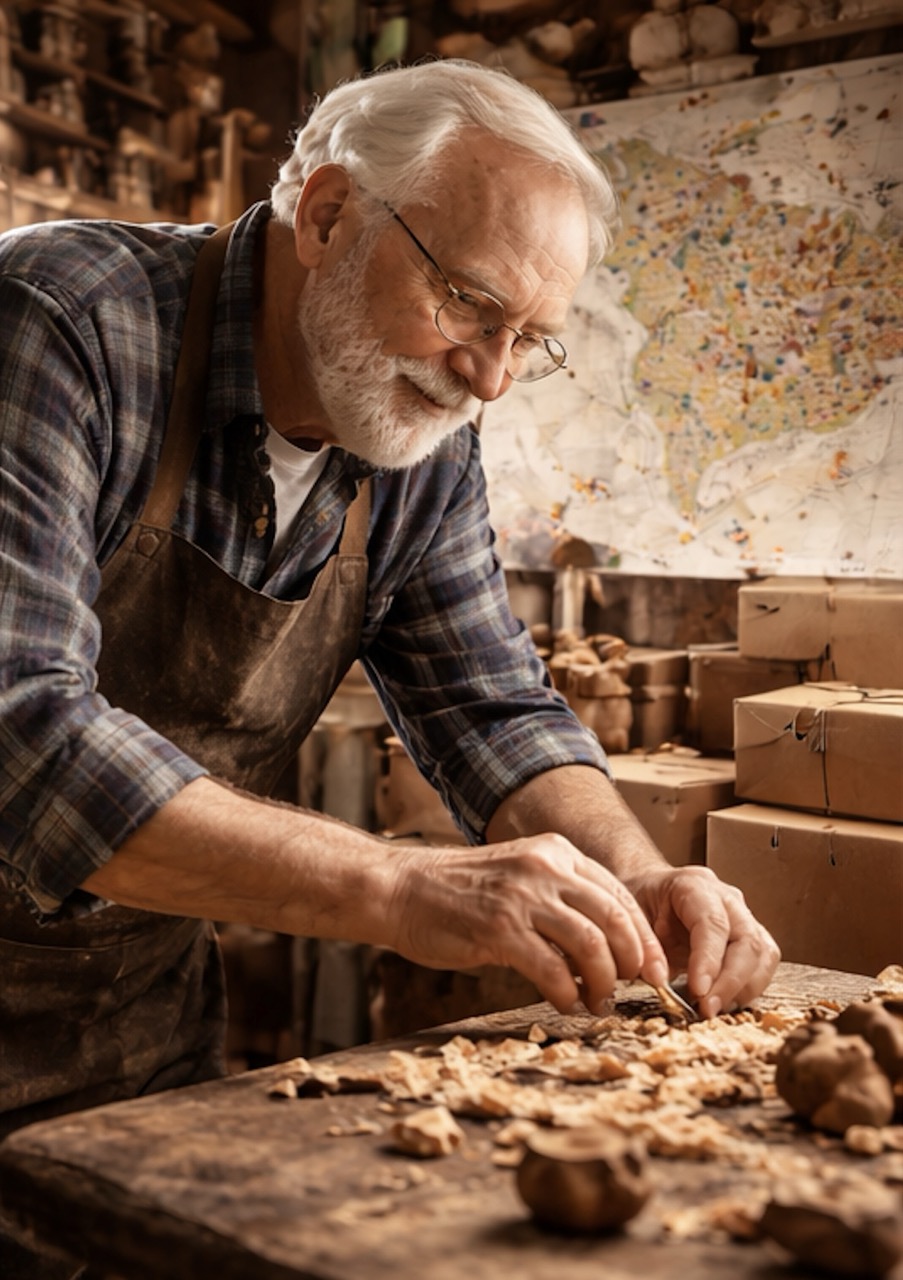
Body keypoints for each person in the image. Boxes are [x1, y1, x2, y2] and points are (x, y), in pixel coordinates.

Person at [0, 56, 779, 1160]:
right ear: (326, 213)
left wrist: (636, 878)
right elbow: (20, 732)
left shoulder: (420, 435)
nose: (491, 377)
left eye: (530, 338)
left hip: (135, 1024)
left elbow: (491, 706)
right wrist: (401, 882)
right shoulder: (59, 319)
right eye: (468, 301)